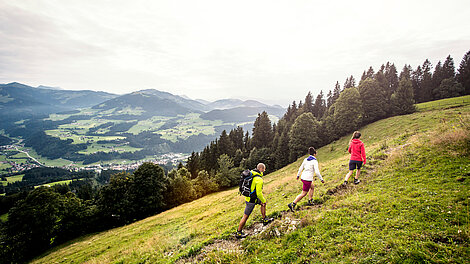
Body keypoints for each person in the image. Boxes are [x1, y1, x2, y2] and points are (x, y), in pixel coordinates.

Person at [235, 163, 273, 238]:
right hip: (251, 200)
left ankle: (265, 219)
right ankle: (238, 233)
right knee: (245, 216)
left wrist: (262, 201)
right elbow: (259, 193)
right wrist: (263, 200)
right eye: (264, 170)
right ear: (261, 169)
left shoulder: (252, 173)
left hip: (250, 198)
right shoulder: (259, 179)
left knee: (262, 204)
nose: (264, 171)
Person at [288, 147, 325, 212]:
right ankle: (293, 204)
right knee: (304, 193)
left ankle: (310, 200)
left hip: (303, 177)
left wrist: (298, 175)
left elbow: (301, 168)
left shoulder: (305, 159)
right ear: (314, 154)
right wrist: (321, 179)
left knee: (312, 187)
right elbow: (317, 172)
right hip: (307, 179)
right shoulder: (314, 161)